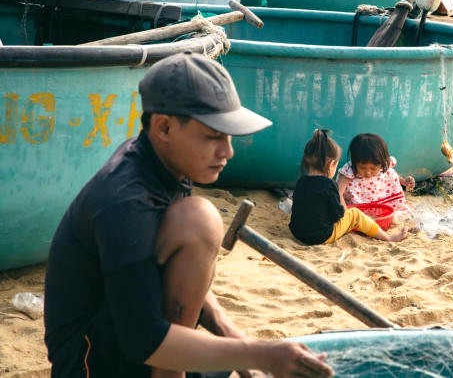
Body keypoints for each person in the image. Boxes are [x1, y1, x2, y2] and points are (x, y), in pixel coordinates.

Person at [43, 52, 333, 378]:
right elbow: (144, 340)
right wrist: (264, 354)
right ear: (164, 127)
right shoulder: (124, 201)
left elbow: (174, 275)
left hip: (135, 338)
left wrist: (233, 336)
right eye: (214, 136)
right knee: (200, 220)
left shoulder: (166, 162)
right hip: (91, 362)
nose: (228, 152)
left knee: (198, 225)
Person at [290, 130, 408, 245]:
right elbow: (339, 214)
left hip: (298, 233)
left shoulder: (301, 182)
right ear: (331, 164)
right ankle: (387, 237)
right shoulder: (329, 185)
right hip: (321, 236)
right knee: (355, 214)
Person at [337, 133, 415, 212]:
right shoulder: (349, 170)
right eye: (362, 168)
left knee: (390, 172)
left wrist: (404, 182)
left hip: (384, 203)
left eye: (373, 169)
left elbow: (391, 174)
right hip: (361, 209)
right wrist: (345, 214)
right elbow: (338, 192)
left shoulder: (382, 164)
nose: (368, 172)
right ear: (354, 162)